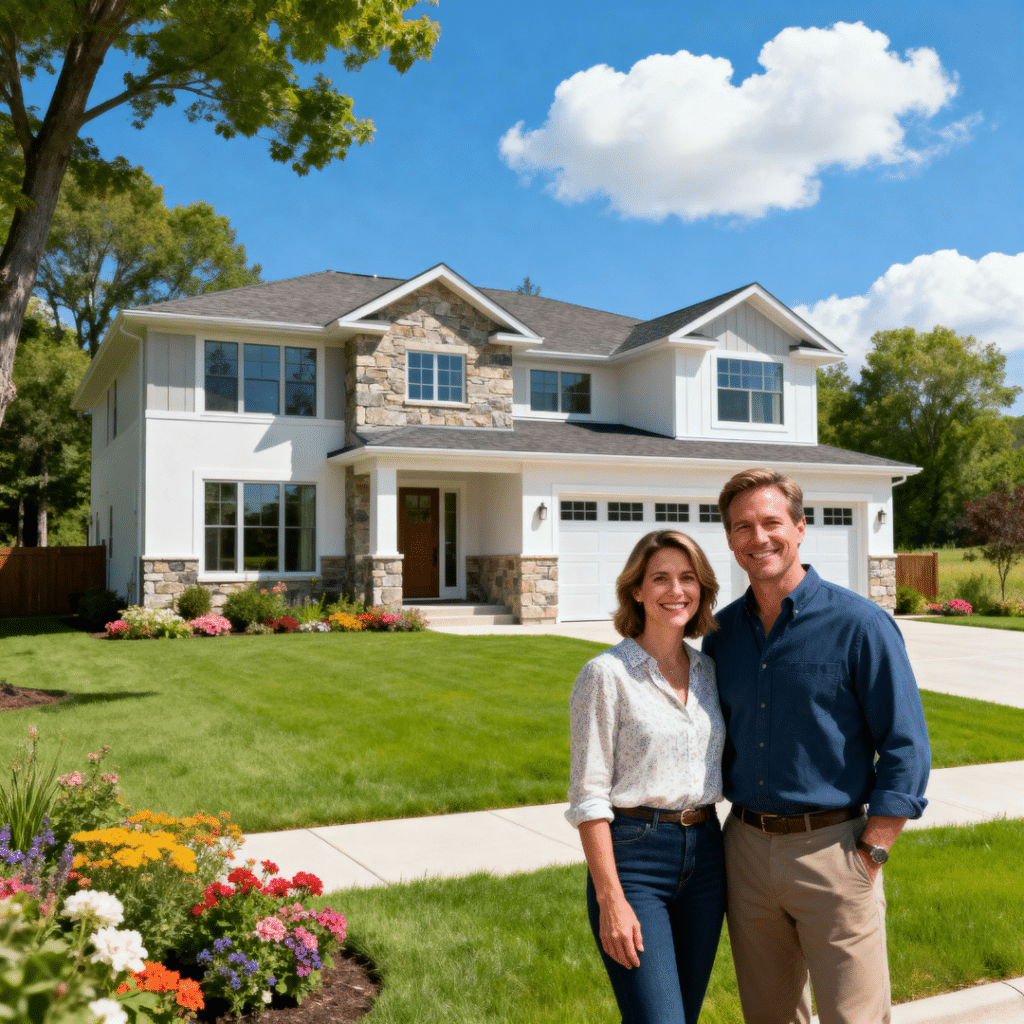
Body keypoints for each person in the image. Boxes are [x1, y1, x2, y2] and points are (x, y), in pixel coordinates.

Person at [703, 468, 930, 1024]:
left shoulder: (860, 625)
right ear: (730, 540)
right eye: (743, 527)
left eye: (772, 522)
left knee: (853, 1017)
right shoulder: (721, 635)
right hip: (747, 851)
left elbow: (906, 748)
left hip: (836, 850)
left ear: (801, 528)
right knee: (769, 1017)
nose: (759, 538)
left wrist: (872, 852)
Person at [567, 529, 726, 1024]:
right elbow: (589, 798)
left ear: (701, 589)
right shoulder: (606, 675)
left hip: (706, 855)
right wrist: (611, 897)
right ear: (637, 590)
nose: (675, 590)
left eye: (687, 578)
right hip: (635, 860)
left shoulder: (709, 671)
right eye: (660, 578)